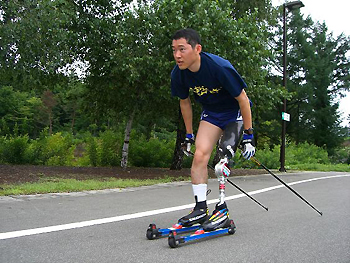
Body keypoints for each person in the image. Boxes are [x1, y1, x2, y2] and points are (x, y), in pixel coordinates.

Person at [170, 28, 256, 231]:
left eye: (182, 49)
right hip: (212, 114)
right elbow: (185, 103)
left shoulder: (219, 67)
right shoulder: (178, 74)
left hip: (234, 112)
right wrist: (189, 135)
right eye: (174, 50)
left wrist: (249, 135)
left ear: (197, 49)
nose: (177, 55)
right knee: (199, 156)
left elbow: (243, 99)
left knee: (222, 160)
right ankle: (201, 208)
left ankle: (222, 210)